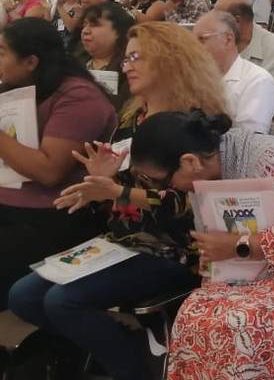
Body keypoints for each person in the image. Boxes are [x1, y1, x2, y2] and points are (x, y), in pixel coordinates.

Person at [127, 110, 274, 380]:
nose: (166, 189)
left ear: (190, 161)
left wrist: (238, 247)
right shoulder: (209, 174)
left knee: (246, 321)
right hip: (259, 271)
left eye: (163, 181)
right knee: (193, 312)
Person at [10, 139, 197, 380]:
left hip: (168, 249)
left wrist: (117, 190)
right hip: (121, 240)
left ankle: (133, 371)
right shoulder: (132, 118)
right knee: (23, 296)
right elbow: (115, 200)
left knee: (62, 302)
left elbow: (178, 203)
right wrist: (104, 183)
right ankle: (111, 348)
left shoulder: (179, 130)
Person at [0, 19, 118, 310]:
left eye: (1, 52)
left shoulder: (78, 96)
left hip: (51, 217)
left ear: (30, 61)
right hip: (12, 207)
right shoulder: (22, 87)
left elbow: (49, 171)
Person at [116, 21, 231, 143]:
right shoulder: (130, 117)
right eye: (126, 60)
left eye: (134, 57)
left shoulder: (197, 125)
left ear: (168, 60)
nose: (126, 68)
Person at [194, 11, 274, 133]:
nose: (195, 46)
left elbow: (247, 139)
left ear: (228, 39)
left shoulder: (258, 81)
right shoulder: (196, 77)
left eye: (202, 39)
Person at [214, 0, 274, 100]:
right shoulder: (216, 41)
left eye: (218, 18)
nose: (214, 23)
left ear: (236, 21)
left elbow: (267, 98)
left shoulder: (271, 46)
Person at [80, 2, 134, 110]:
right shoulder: (73, 63)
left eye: (94, 25)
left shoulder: (130, 68)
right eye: (84, 25)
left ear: (118, 32)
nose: (85, 31)